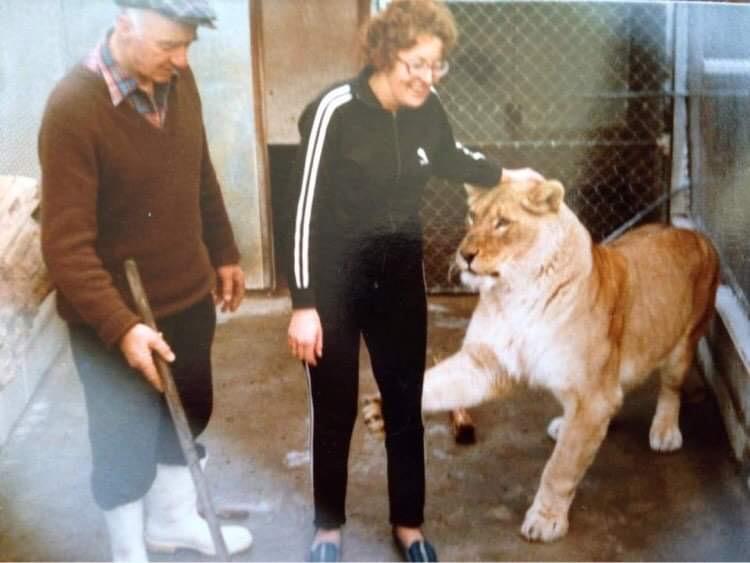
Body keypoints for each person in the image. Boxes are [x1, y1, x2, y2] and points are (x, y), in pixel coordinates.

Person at [284, 1, 544, 561]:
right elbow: (302, 211)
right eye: (414, 63)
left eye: (436, 64)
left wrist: (504, 173)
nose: (426, 77)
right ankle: (327, 528)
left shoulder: (427, 106)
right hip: (333, 284)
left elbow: (448, 155)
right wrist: (303, 303)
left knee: (406, 403)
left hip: (398, 278)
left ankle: (409, 525)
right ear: (382, 55)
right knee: (334, 407)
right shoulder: (334, 111)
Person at [38, 1, 252, 560]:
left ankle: (173, 522)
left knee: (192, 407)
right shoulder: (72, 109)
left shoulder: (177, 79)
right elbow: (65, 247)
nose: (181, 61)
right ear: (124, 24)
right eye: (168, 46)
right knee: (121, 440)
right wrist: (123, 328)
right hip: (112, 316)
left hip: (184, 294)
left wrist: (225, 251)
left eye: (188, 46)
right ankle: (129, 551)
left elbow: (198, 169)